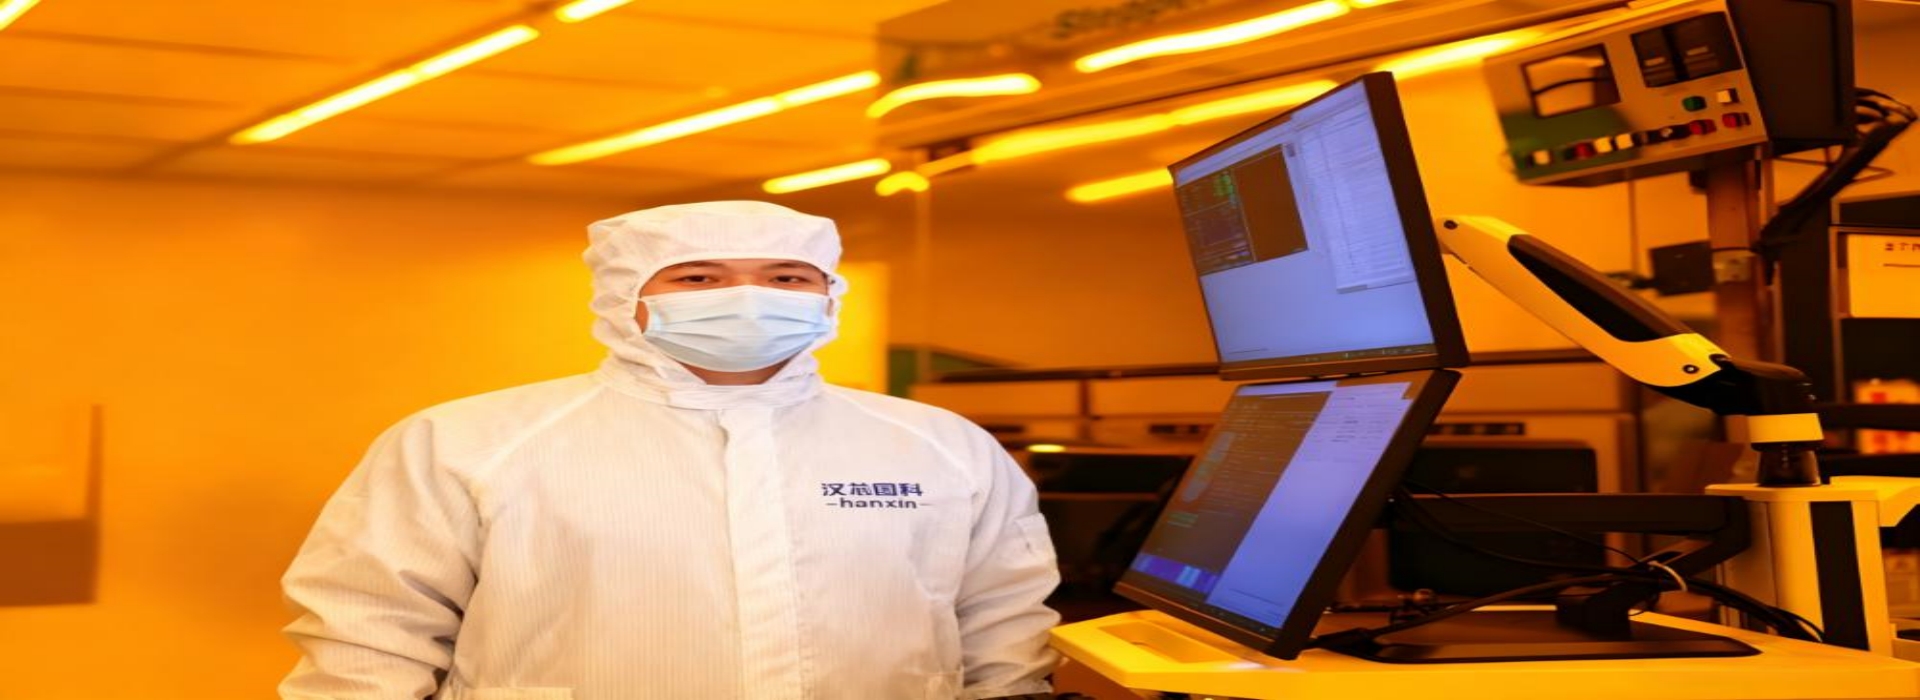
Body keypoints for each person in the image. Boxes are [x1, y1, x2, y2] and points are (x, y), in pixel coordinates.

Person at [279, 201, 1061, 699]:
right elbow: (367, 639)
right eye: (698, 277)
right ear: (625, 297)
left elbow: (1003, 627)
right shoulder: (465, 443)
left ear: (829, 298)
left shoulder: (940, 448)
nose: (749, 297)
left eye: (787, 277)